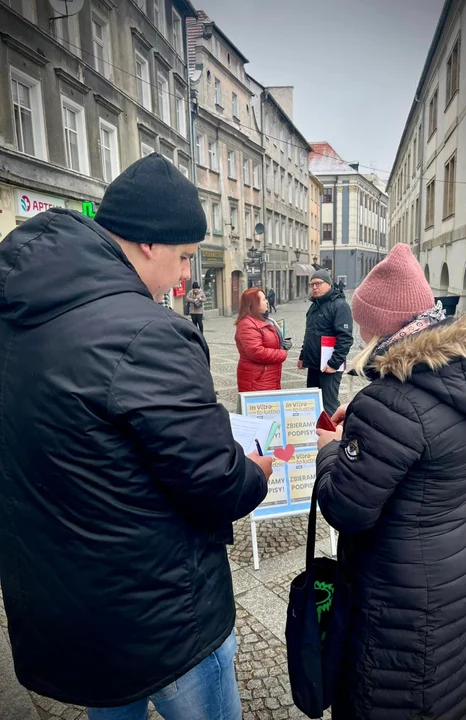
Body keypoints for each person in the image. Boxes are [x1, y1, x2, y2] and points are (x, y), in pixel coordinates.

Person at [0, 153, 272, 720]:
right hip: (161, 613)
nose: (185, 277)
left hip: (70, 604)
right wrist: (255, 472)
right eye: (184, 257)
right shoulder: (149, 334)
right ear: (149, 243)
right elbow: (216, 483)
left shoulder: (18, 312)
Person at [315, 243, 466, 720]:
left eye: (366, 323)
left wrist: (331, 449)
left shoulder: (391, 401)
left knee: (394, 696)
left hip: (401, 590)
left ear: (385, 326)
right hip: (458, 562)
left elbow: (346, 507)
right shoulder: (463, 374)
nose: (360, 331)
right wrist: (366, 431)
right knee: (448, 686)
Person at [297, 269, 353, 415]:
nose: (314, 287)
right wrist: (303, 356)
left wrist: (333, 363)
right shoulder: (314, 305)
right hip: (314, 364)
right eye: (312, 285)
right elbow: (309, 333)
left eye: (318, 284)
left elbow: (345, 338)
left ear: (328, 284)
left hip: (330, 365)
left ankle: (334, 435)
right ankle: (317, 433)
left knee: (329, 405)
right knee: (313, 402)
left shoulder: (340, 306)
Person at [235, 288, 290, 392]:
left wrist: (282, 344)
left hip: (268, 376)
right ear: (255, 304)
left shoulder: (265, 320)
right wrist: (282, 353)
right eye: (264, 299)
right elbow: (256, 352)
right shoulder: (247, 324)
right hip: (257, 379)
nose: (267, 301)